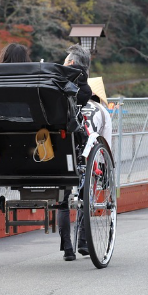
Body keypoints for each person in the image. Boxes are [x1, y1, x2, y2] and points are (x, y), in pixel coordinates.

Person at [59, 44, 94, 260]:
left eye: (65, 61)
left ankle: (67, 248)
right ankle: (82, 242)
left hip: (43, 145)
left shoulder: (53, 80)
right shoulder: (85, 91)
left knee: (62, 199)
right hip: (70, 146)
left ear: (71, 63)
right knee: (81, 193)